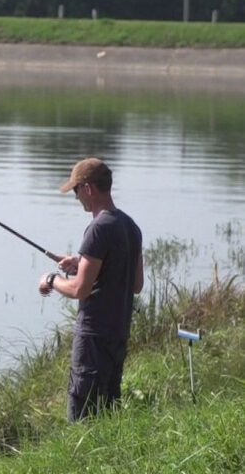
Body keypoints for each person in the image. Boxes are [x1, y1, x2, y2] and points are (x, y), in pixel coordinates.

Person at [38, 157, 143, 421]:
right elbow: (136, 284)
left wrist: (52, 279)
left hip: (94, 337)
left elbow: (79, 290)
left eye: (76, 190)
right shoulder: (130, 226)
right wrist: (83, 263)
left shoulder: (98, 228)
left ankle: (79, 460)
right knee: (107, 414)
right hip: (118, 334)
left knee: (81, 415)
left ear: (88, 188)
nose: (76, 198)